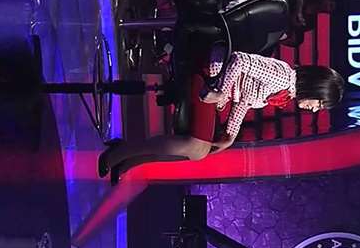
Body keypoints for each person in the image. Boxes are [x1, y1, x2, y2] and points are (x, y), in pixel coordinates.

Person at [97, 51, 345, 178]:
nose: (314, 109)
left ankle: (132, 159)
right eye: (319, 103)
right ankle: (121, 152)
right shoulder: (282, 77)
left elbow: (245, 100)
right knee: (196, 147)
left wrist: (230, 135)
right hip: (211, 76)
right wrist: (221, 92)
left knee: (205, 152)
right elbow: (240, 60)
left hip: (216, 91)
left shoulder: (285, 93)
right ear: (316, 87)